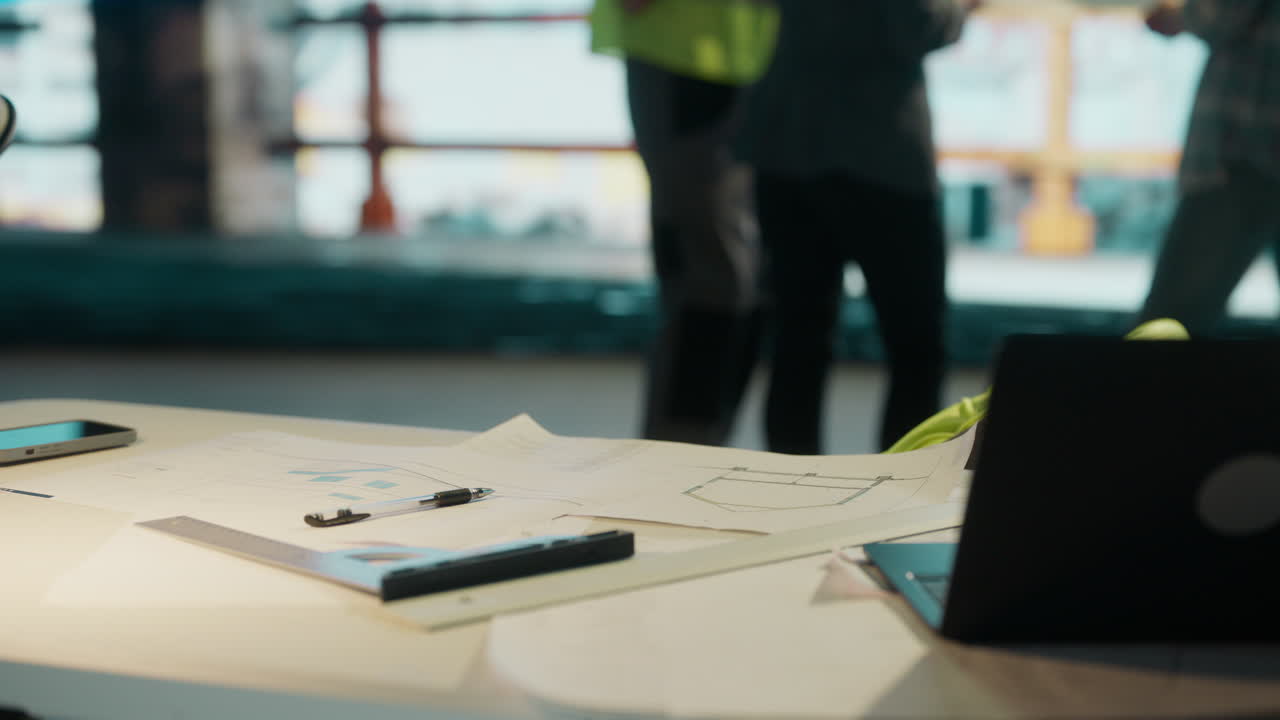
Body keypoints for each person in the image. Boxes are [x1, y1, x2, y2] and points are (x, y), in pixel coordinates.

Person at [736, 0, 979, 454]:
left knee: (797, 340)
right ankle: (902, 493)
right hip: (881, 152)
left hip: (788, 144)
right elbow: (918, 26)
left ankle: (787, 493)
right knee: (915, 346)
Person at [589, 0, 778, 446]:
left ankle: (699, 452)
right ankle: (676, 454)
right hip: (683, 57)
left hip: (761, 59)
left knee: (745, 277)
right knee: (712, 271)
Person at [1135, 0, 1280, 337]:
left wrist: (1176, 14)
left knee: (1169, 327)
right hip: (1253, 151)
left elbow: (1218, 15)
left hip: (1246, 151)